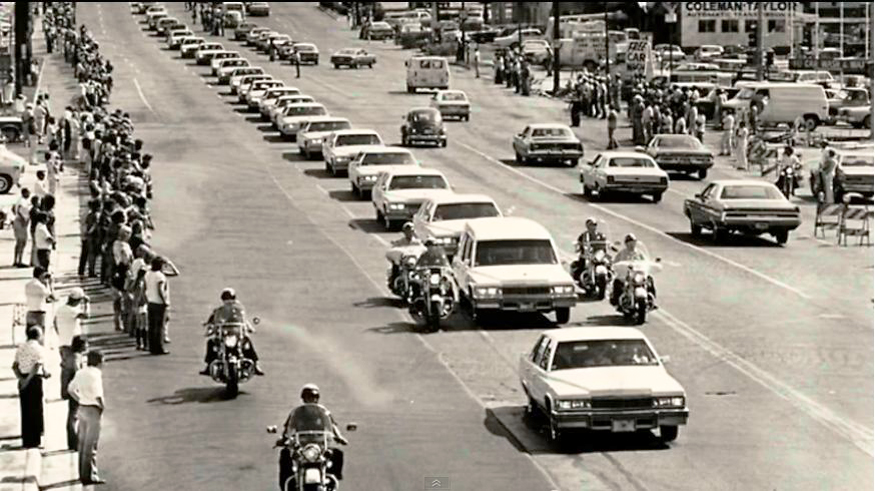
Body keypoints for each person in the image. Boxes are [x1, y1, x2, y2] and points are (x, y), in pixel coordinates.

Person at [278, 384, 348, 490]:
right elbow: (288, 427)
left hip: (319, 443)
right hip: (301, 443)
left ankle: (334, 476)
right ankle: (284, 485)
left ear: (317, 398)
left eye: (314, 397)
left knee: (337, 453)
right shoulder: (297, 413)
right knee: (285, 455)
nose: (312, 399)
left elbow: (332, 425)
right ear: (303, 398)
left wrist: (339, 437)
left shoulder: (323, 412)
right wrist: (283, 439)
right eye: (309, 396)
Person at [200, 288, 264, 376]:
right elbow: (213, 320)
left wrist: (250, 328)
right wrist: (210, 328)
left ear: (234, 298)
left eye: (230, 297)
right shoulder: (219, 310)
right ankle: (208, 365)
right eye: (226, 297)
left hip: (236, 334)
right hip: (225, 334)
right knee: (211, 342)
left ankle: (256, 365)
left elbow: (244, 320)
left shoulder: (239, 309)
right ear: (222, 299)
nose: (228, 299)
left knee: (247, 342)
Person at [67, 350, 106, 485]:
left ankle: (82, 473)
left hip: (82, 407)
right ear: (99, 362)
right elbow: (98, 394)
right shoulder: (96, 374)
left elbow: (71, 389)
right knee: (91, 445)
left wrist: (80, 399)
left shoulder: (80, 372)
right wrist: (102, 406)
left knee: (82, 443)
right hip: (92, 409)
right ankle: (90, 475)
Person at [12, 326, 49, 449]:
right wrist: (28, 380)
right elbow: (37, 365)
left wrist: (21, 379)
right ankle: (36, 440)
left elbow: (15, 366)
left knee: (25, 410)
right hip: (33, 381)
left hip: (22, 380)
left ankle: (27, 439)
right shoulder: (38, 348)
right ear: (38, 336)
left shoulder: (21, 348)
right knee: (36, 410)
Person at [609, 234, 651, 307]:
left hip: (638, 274)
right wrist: (615, 267)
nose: (631, 244)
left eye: (633, 242)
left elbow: (646, 261)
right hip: (625, 275)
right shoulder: (622, 253)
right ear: (626, 243)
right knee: (617, 282)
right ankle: (616, 300)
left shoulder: (639, 253)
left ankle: (650, 299)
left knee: (649, 280)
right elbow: (615, 263)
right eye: (629, 242)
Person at [145, 256, 170, 355]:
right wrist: (164, 301)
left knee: (152, 326)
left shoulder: (148, 274)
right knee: (160, 327)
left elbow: (145, 287)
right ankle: (159, 347)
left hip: (151, 301)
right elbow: (160, 290)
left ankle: (151, 347)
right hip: (159, 303)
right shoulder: (160, 276)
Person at [12, 188, 32, 267]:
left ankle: (16, 260)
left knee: (20, 242)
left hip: (20, 222)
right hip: (20, 222)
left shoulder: (23, 200)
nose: (29, 195)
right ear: (24, 193)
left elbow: (13, 208)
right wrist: (23, 219)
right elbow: (19, 210)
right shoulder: (21, 201)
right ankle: (19, 260)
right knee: (21, 242)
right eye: (28, 193)